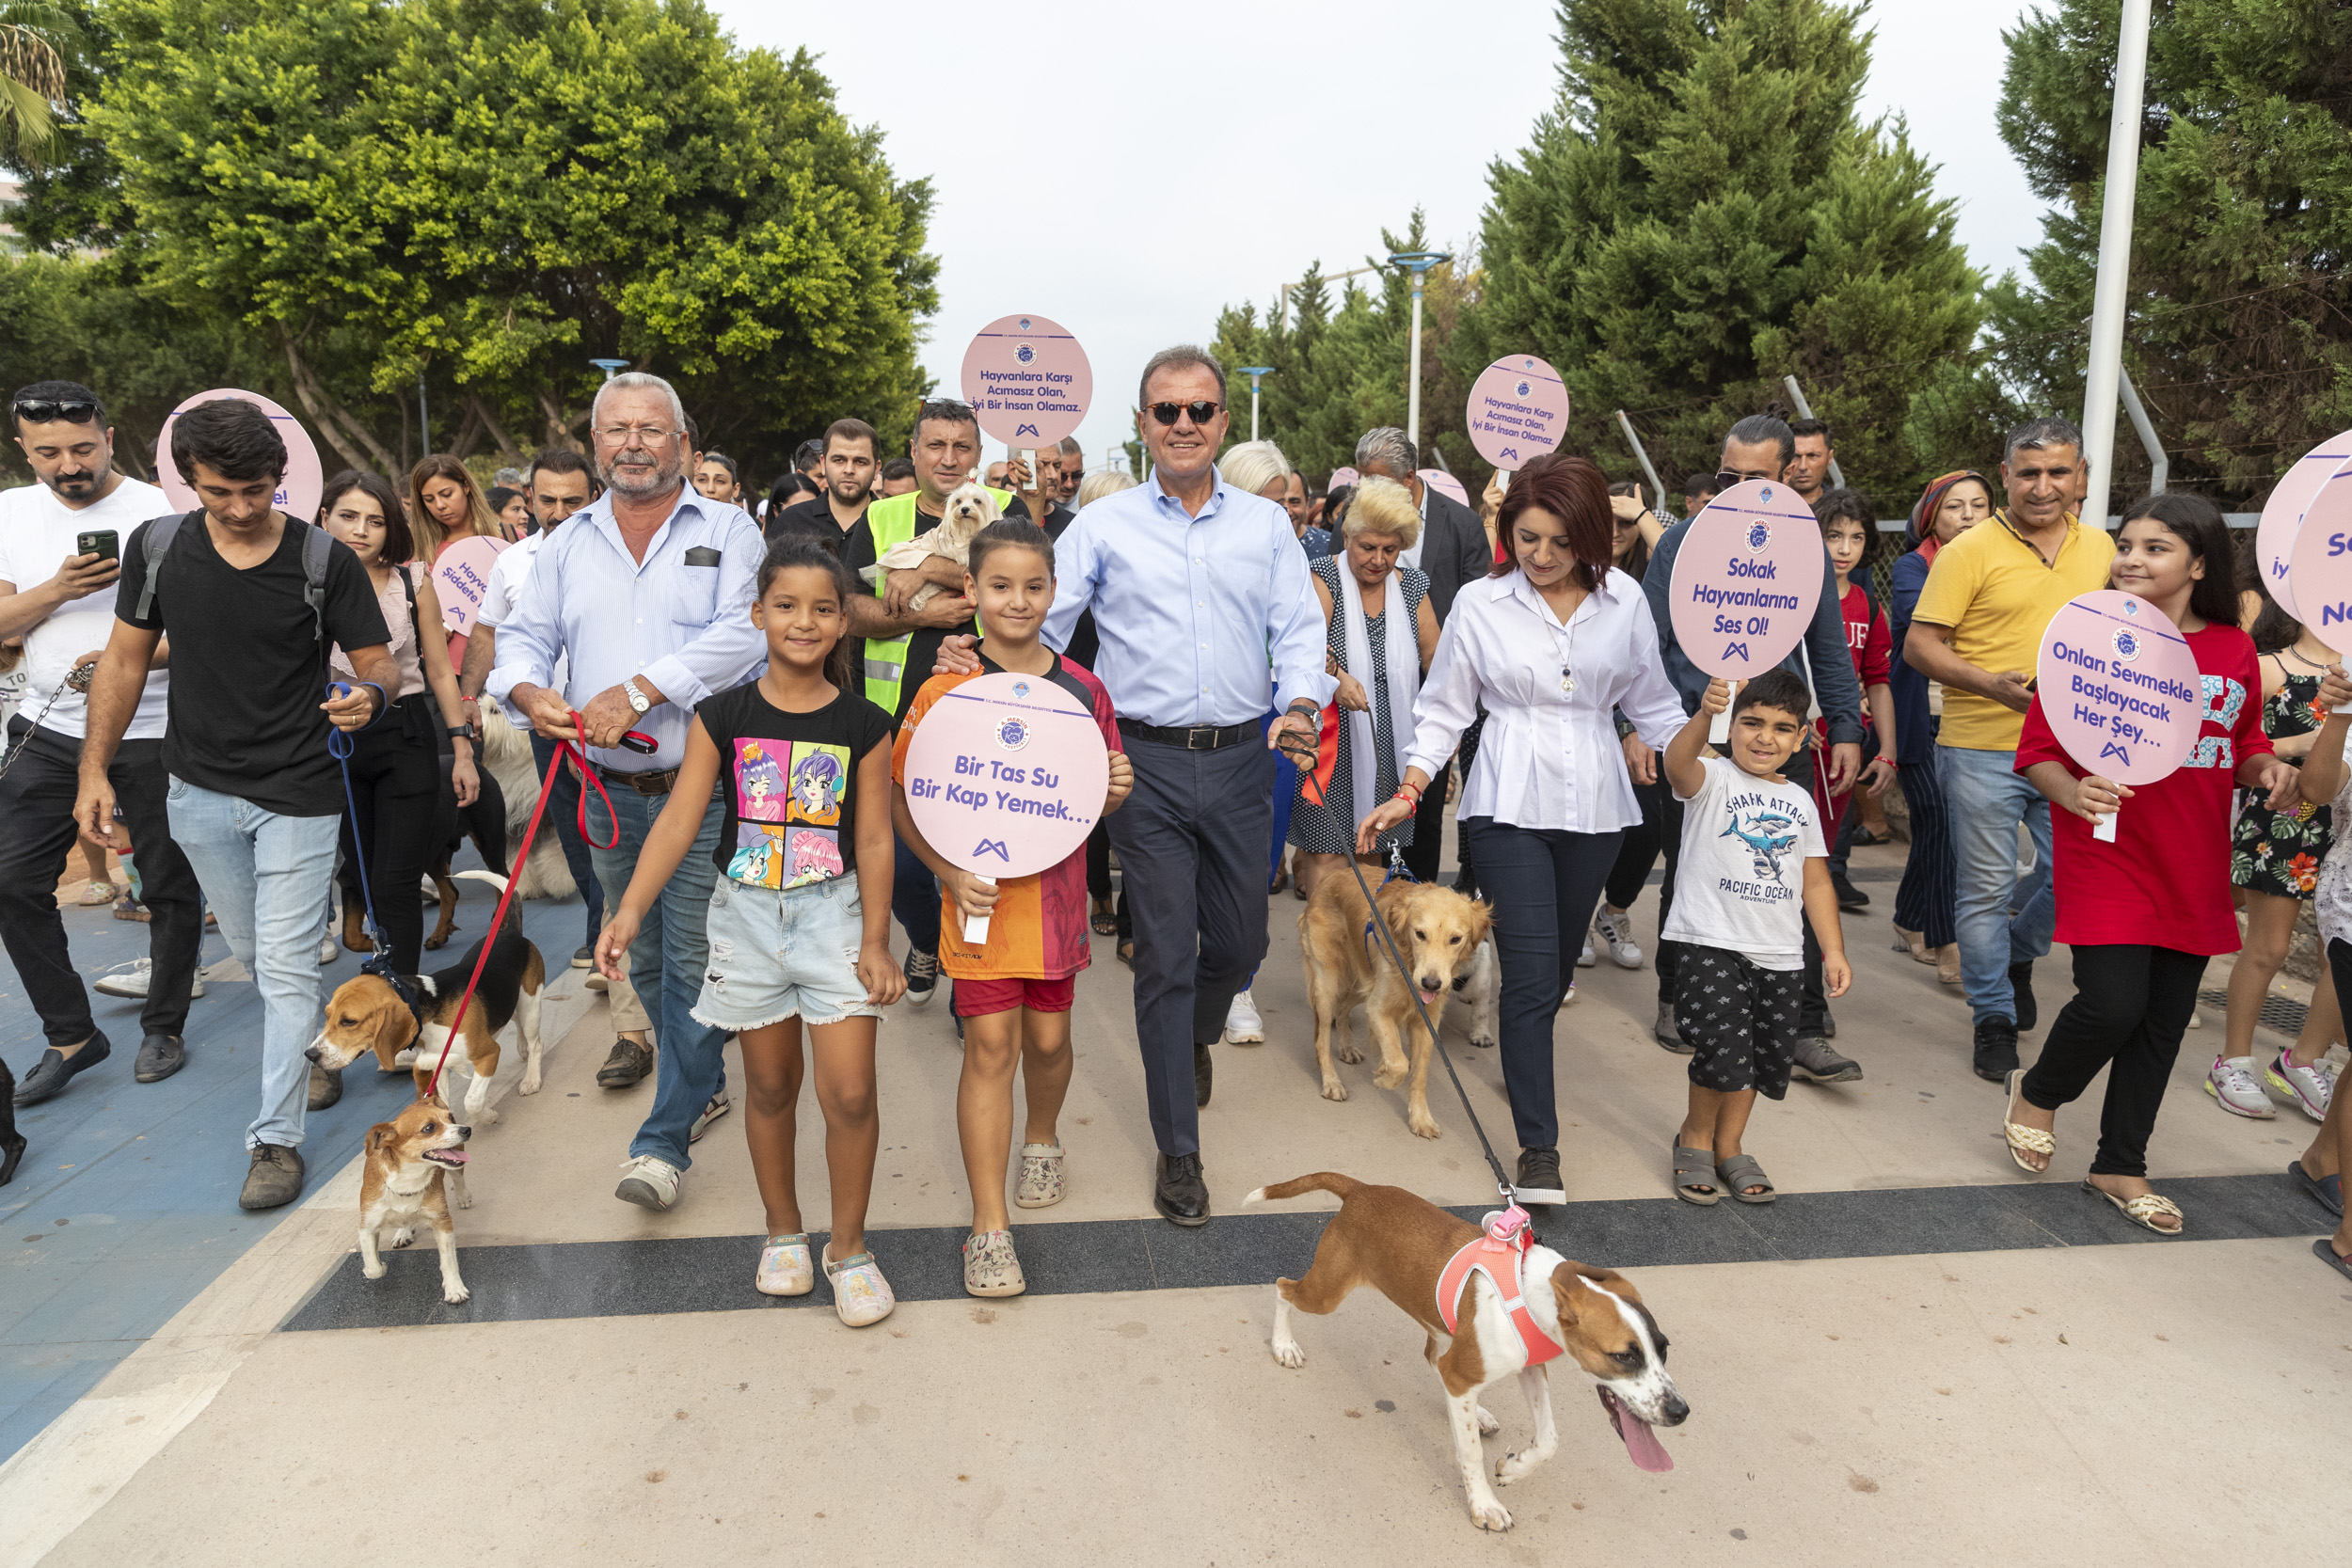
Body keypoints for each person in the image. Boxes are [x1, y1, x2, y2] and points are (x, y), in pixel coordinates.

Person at [943, 346, 1330, 1227]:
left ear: (1225, 423)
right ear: (1145, 424)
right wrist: (976, 653)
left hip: (1242, 761)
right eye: (1166, 411)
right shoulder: (1105, 528)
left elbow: (1298, 628)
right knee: (1162, 953)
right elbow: (1036, 611)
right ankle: (1179, 1150)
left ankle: (1197, 1031)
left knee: (1236, 949)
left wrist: (1300, 704)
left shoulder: (1267, 529)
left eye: (1200, 411)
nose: (1184, 425)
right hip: (1139, 769)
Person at [76, 397, 397, 1209]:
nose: (244, 507)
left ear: (279, 478)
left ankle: (274, 1140)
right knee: (259, 956)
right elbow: (122, 660)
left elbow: (379, 663)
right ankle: (310, 1057)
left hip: (300, 789)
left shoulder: (325, 559)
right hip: (198, 789)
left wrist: (366, 693)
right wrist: (94, 771)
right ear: (188, 482)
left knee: (288, 968)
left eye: (258, 489)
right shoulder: (155, 548)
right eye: (223, 491)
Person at [1358, 451, 1687, 1206]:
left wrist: (1711, 745)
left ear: (1592, 538)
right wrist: (1412, 787)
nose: (1541, 556)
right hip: (1506, 805)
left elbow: (1655, 703)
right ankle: (1540, 1148)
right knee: (1535, 974)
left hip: (1597, 807)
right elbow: (1445, 706)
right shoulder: (1481, 601)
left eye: (1560, 542)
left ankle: (1522, 1052)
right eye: (1527, 538)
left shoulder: (1626, 602)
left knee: (1556, 975)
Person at [597, 534, 904, 1322]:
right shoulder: (721, 714)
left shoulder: (868, 724)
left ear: (842, 624)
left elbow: (873, 838)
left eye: (824, 609)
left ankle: (851, 1246)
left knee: (852, 1090)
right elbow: (677, 821)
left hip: (832, 917)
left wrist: (876, 939)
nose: (804, 621)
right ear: (760, 613)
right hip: (745, 918)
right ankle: (783, 1232)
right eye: (787, 605)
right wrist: (628, 909)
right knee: (770, 1086)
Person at [490, 371, 767, 1212]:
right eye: (617, 430)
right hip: (601, 790)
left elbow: (740, 638)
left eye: (652, 428)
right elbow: (522, 639)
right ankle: (700, 1074)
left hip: (699, 785)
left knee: (686, 952)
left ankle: (663, 1140)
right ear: (597, 442)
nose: (634, 443)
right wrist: (529, 691)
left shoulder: (731, 531)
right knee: (633, 948)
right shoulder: (566, 543)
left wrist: (641, 690)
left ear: (682, 443)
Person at [2001, 494, 2294, 1235]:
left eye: (2155, 547)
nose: (2131, 557)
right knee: (2111, 1002)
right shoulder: (2087, 636)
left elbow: (2244, 742)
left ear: (2198, 564)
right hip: (2108, 848)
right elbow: (2036, 753)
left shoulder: (2232, 647)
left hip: (2192, 860)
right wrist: (2075, 789)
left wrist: (2264, 770)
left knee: (2163, 1023)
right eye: (2125, 544)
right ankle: (2039, 1090)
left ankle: (2119, 1163)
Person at [892, 518, 1131, 1295]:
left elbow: (1086, 793)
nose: (1017, 601)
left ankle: (1043, 1135)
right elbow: (905, 798)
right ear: (971, 592)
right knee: (990, 1046)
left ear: (1054, 592)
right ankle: (988, 1225)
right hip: (978, 903)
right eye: (999, 585)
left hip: (1054, 903)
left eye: (1033, 586)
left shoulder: (1083, 689)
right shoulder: (943, 687)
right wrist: (944, 870)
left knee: (1051, 1043)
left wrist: (1112, 790)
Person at [1640, 415, 1864, 1081]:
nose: (1737, 489)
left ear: (1791, 473)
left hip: (1777, 734)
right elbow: (1646, 646)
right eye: (1728, 477)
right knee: (1691, 867)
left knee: (1787, 872)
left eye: (1755, 479)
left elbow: (1827, 644)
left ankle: (1802, 1022)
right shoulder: (1679, 544)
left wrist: (1845, 727)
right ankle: (1677, 994)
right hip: (1697, 739)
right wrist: (1650, 728)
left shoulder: (1805, 548)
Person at [0, 381, 197, 1107]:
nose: (67, 464)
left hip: (154, 729)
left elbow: (195, 627)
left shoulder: (158, 511)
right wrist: (56, 589)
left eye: (82, 448)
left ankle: (164, 1023)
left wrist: (128, 660)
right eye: (47, 452)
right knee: (11, 881)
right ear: (23, 448)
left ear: (109, 437)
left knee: (168, 884)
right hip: (48, 729)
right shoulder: (10, 512)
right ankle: (73, 1034)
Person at [1905, 416, 2113, 1081]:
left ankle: (2018, 952)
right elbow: (1920, 645)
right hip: (1981, 747)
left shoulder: (2107, 551)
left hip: (2075, 751)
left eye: (2058, 471)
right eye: (2029, 472)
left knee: (2076, 874)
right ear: (2005, 477)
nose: (2043, 486)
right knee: (1986, 888)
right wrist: (1991, 686)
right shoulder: (1970, 550)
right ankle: (1991, 1015)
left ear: (2079, 476)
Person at [1660, 670, 1849, 1202]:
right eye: (1752, 723)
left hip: (1781, 953)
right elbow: (1676, 766)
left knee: (1761, 1056)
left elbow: (1814, 880)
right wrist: (1704, 714)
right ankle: (1695, 1136)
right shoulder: (1712, 778)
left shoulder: (1802, 803)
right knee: (1721, 1049)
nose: (1765, 737)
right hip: (1710, 941)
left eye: (1782, 728)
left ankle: (1731, 1144)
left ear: (1801, 737)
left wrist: (1832, 949)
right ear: (1731, 726)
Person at [844, 400, 993, 1006]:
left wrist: (931, 565)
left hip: (981, 725)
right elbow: (846, 610)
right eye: (936, 445)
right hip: (888, 724)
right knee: (903, 868)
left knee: (974, 865)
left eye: (961, 447)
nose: (949, 459)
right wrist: (924, 612)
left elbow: (1029, 597)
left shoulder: (1005, 513)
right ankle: (928, 937)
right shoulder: (880, 519)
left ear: (978, 456)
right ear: (913, 452)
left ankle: (972, 993)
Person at [316, 469, 480, 978]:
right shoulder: (301, 581)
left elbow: (438, 669)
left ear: (392, 529)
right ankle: (385, 968)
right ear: (324, 519)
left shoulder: (414, 581)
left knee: (396, 879)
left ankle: (402, 992)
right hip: (331, 743)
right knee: (360, 877)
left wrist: (463, 748)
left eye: (376, 521)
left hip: (404, 737)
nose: (361, 530)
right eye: (348, 517)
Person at [1351, 428, 1501, 887]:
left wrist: (1456, 703)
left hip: (1437, 693)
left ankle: (1422, 910)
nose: (1365, 490)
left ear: (1408, 478)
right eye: (1361, 479)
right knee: (1368, 808)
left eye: (1375, 480)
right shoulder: (1354, 520)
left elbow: (1479, 609)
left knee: (1425, 815)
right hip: (1365, 695)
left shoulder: (1461, 524)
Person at [2214, 592, 2342, 1120]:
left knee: (2343, 957)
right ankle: (2232, 1061)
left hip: (2345, 825)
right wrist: (2303, 742)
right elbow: (2235, 741)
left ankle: (2303, 1059)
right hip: (2285, 820)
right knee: (2268, 948)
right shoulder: (2270, 666)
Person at [1289, 475, 1439, 896]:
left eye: (1390, 549)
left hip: (1393, 744)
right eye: (1367, 547)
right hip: (1333, 749)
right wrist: (1336, 678)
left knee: (1374, 852)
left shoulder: (1413, 586)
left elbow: (1438, 663)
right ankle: (1327, 952)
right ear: (1348, 536)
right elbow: (1302, 650)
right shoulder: (1324, 576)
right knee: (1327, 854)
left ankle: (1363, 951)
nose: (1378, 559)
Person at [1887, 471, 1990, 986]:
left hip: (1975, 719)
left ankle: (1909, 918)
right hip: (1919, 717)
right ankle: (1946, 940)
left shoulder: (2005, 565)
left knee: (1936, 824)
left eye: (1978, 505)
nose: (1968, 515)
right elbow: (1921, 616)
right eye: (1954, 507)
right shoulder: (1912, 566)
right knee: (1941, 820)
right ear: (1932, 516)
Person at [1813, 488, 1899, 912]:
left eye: (1857, 537)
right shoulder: (1790, 597)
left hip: (1843, 749)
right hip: (1791, 747)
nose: (1845, 549)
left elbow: (1879, 680)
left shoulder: (1868, 607)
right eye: (1833, 536)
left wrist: (1887, 751)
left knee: (1821, 855)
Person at [1591, 483, 1662, 969]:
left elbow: (1690, 570)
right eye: (1607, 521)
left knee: (1647, 828)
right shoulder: (1569, 570)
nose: (1616, 532)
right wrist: (1623, 726)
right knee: (1586, 832)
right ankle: (1572, 921)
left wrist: (1643, 515)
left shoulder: (1653, 574)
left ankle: (1613, 913)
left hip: (1651, 715)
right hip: (1594, 720)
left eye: (1626, 523)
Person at [1072, 467, 1137, 938]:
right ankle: (1099, 892)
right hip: (1080, 698)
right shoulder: (1068, 573)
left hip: (1134, 709)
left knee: (1134, 806)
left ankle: (1135, 923)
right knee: (1092, 802)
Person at [768, 418, 878, 550]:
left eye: (860, 462)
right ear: (823, 464)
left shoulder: (895, 522)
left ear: (876, 469)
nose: (849, 470)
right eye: (839, 460)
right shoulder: (790, 521)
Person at [409, 453, 514, 559]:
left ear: (466, 487)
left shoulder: (510, 537)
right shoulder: (418, 551)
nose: (440, 505)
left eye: (447, 494)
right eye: (429, 499)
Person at [1786, 418, 1836, 506]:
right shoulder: (1763, 506)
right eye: (1795, 456)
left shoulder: (1841, 512)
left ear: (1830, 457)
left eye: (1812, 456)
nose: (1803, 466)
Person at [1056, 436, 1085, 503]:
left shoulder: (1091, 508)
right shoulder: (1028, 507)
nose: (1069, 485)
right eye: (1062, 476)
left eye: (1076, 476)